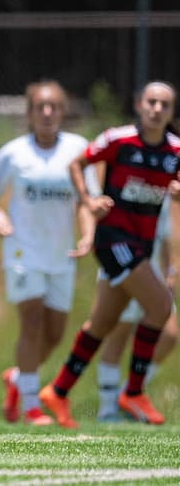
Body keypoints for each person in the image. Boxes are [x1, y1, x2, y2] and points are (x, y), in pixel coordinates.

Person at [39, 81, 180, 428]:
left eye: (164, 104)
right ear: (139, 104)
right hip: (114, 240)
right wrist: (89, 200)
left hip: (142, 245)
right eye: (151, 102)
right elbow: (77, 164)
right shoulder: (118, 140)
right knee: (161, 306)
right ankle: (133, 392)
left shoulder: (175, 150)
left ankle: (57, 391)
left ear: (171, 111)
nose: (157, 109)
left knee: (101, 324)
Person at [0, 80, 98, 426]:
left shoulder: (78, 149)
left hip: (61, 254)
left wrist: (88, 234)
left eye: (54, 107)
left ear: (63, 112)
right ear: (30, 113)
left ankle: (17, 379)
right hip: (23, 251)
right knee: (31, 322)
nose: (47, 113)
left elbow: (86, 200)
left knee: (55, 334)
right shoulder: (13, 153)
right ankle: (32, 405)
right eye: (40, 107)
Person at [96, 193, 177, 421]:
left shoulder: (161, 187)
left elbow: (164, 234)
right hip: (126, 263)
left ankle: (129, 393)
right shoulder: (127, 183)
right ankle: (107, 410)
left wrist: (169, 269)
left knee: (169, 335)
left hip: (153, 270)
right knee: (118, 336)